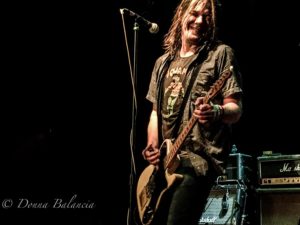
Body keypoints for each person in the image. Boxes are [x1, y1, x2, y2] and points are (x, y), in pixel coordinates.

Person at [140, 0, 243, 225]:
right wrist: (152, 146)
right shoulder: (163, 63)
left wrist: (216, 111)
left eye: (206, 16)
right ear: (181, 16)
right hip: (164, 165)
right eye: (194, 14)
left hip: (197, 161)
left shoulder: (220, 54)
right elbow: (155, 114)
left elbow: (235, 110)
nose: (199, 20)